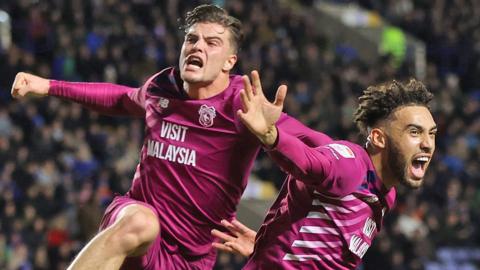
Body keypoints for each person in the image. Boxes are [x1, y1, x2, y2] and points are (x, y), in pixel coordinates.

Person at [10, 4, 329, 270]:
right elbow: (122, 98)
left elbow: (322, 148)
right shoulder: (163, 86)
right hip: (136, 220)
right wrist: (49, 86)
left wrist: (271, 134)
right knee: (142, 223)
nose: (197, 46)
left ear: (229, 62)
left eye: (211, 42)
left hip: (191, 257)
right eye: (191, 39)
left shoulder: (242, 104)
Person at [212, 77, 437, 269]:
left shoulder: (386, 195)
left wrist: (269, 247)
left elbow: (302, 134)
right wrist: (271, 137)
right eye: (415, 132)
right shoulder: (350, 167)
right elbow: (309, 163)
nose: (427, 144)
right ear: (378, 138)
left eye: (432, 134)